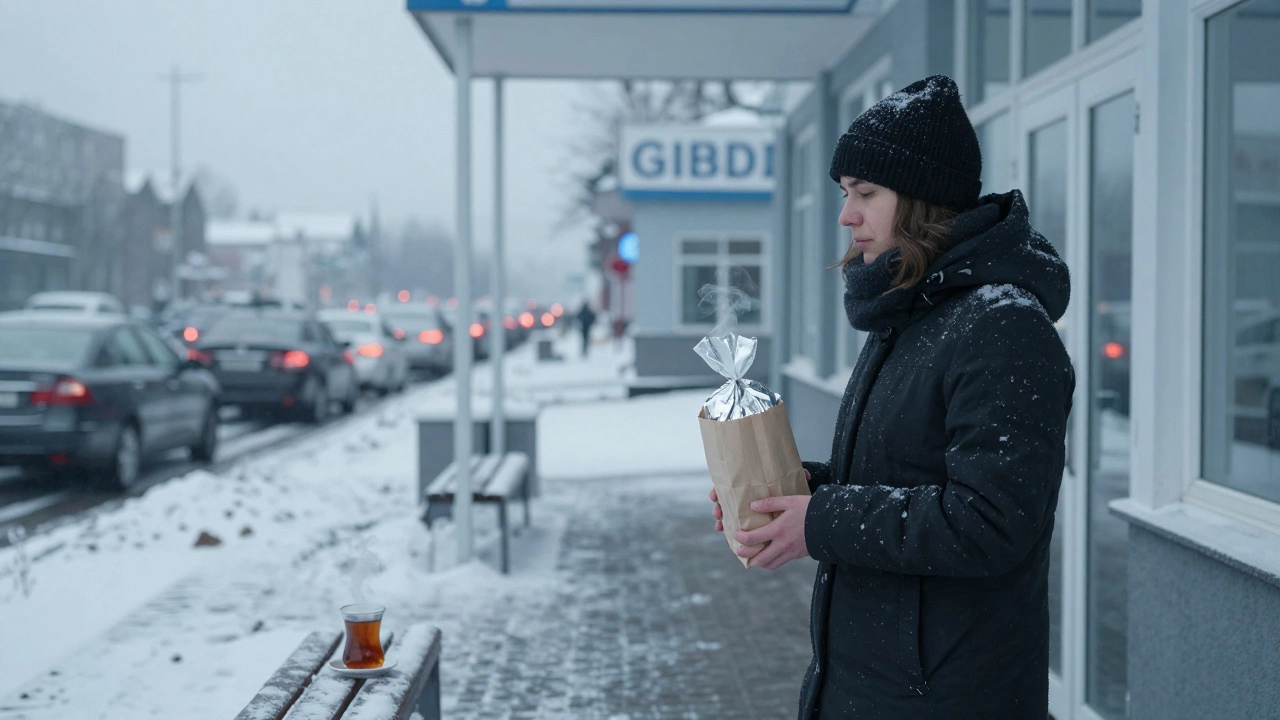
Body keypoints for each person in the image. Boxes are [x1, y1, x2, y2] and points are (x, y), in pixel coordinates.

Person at [708, 75, 1075, 719]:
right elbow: (898, 478)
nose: (847, 216)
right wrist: (792, 496)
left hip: (948, 697)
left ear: (924, 198)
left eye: (866, 194)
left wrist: (819, 522)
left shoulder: (1000, 324)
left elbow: (992, 521)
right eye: (845, 194)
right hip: (870, 683)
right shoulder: (909, 317)